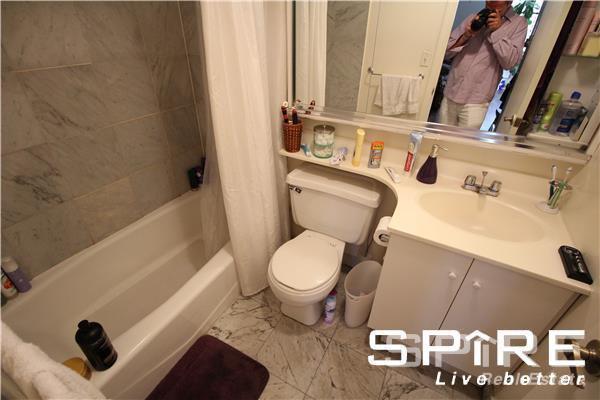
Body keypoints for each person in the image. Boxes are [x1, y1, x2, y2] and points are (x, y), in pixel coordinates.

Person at [440, 1, 527, 128]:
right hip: (451, 91)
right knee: (440, 137)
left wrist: (497, 31)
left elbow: (510, 63)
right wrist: (466, 35)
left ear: (509, 1)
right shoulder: (473, 17)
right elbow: (445, 53)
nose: (491, 1)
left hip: (476, 102)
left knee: (463, 141)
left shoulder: (518, 24)